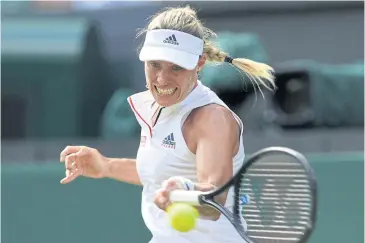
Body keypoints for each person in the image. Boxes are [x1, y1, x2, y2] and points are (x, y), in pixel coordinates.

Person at [59, 5, 275, 243]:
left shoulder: (212, 118)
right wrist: (106, 166)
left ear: (199, 63)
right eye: (154, 64)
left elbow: (215, 197)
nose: (162, 78)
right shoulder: (157, 107)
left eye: (176, 67)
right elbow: (163, 171)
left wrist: (182, 190)